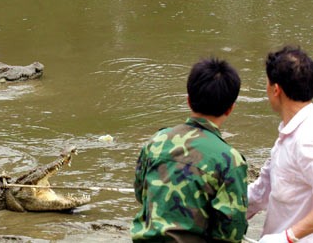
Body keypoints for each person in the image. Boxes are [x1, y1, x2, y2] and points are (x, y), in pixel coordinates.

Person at [131, 58, 248, 242]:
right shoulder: (230, 160)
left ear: (188, 100)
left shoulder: (156, 141)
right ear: (230, 108)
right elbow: (232, 229)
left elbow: (140, 193)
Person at [247, 46, 313, 243]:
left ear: (276, 90)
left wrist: (288, 236)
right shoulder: (289, 132)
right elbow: (262, 191)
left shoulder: (306, 140)